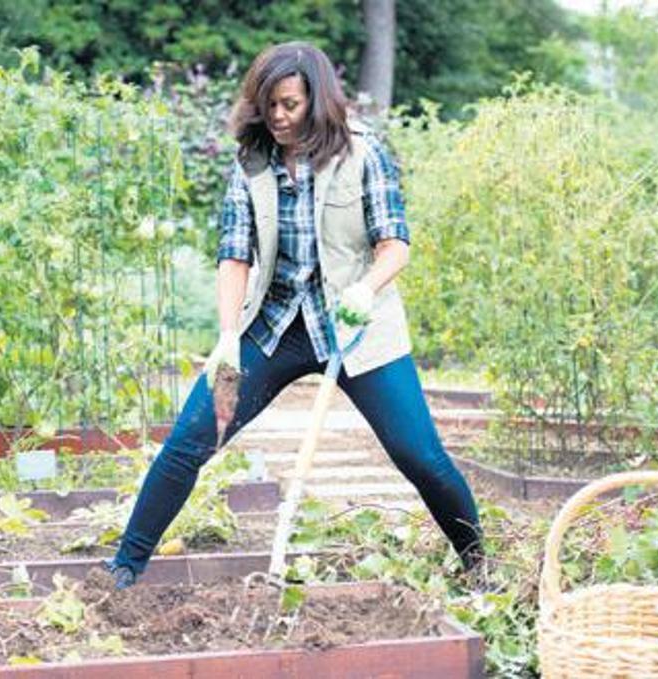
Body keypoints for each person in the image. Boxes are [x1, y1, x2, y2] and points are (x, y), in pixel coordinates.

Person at [105, 41, 483, 590]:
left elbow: (395, 244)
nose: (278, 117)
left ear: (318, 100)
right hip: (273, 327)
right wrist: (229, 336)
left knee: (418, 454)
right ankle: (123, 567)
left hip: (356, 330)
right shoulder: (251, 163)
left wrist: (366, 288)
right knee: (189, 439)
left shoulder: (363, 154)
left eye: (290, 104)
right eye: (269, 106)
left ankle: (478, 562)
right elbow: (235, 254)